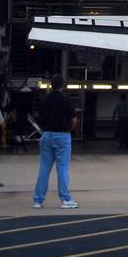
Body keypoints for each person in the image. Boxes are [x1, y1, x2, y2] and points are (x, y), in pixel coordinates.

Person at [33, 74, 79, 209]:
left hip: (47, 135)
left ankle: (38, 200)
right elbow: (74, 120)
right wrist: (68, 130)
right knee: (62, 168)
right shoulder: (66, 100)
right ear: (62, 85)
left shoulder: (44, 100)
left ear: (51, 85)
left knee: (44, 169)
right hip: (62, 135)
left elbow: (40, 117)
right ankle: (65, 199)